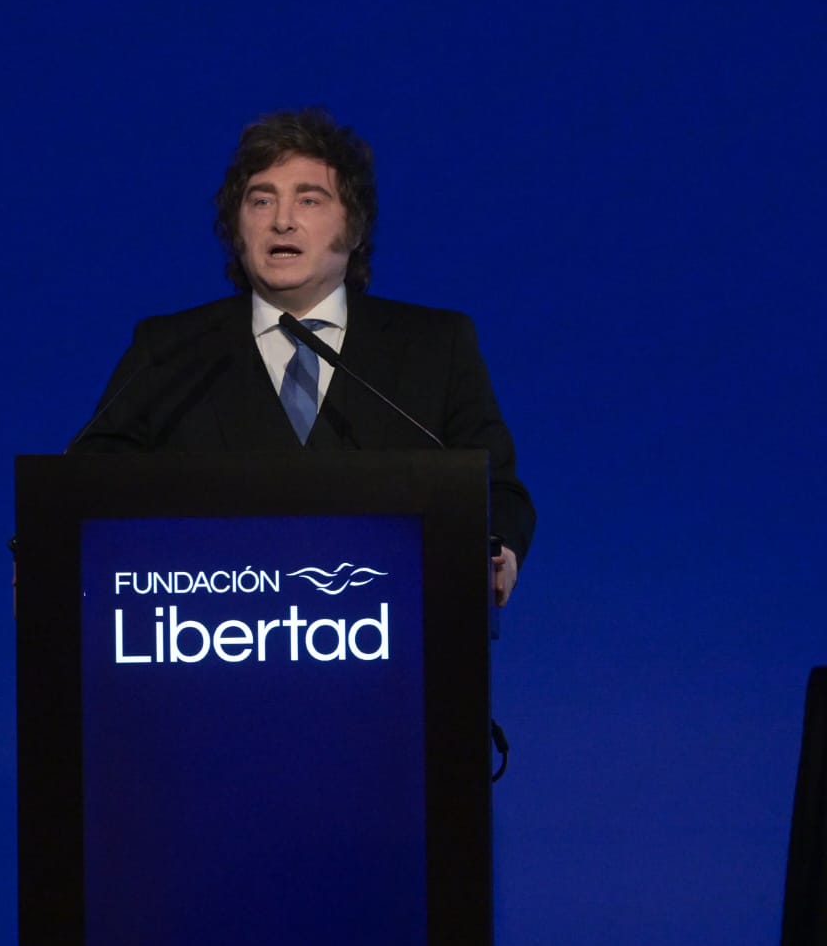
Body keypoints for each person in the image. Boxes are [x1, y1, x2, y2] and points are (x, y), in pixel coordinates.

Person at [72, 108, 533, 605]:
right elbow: (84, 484)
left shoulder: (435, 345)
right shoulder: (169, 349)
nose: (281, 221)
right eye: (261, 200)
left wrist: (499, 548)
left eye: (309, 200)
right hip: (213, 627)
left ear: (354, 227)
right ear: (236, 228)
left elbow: (496, 489)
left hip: (387, 625)